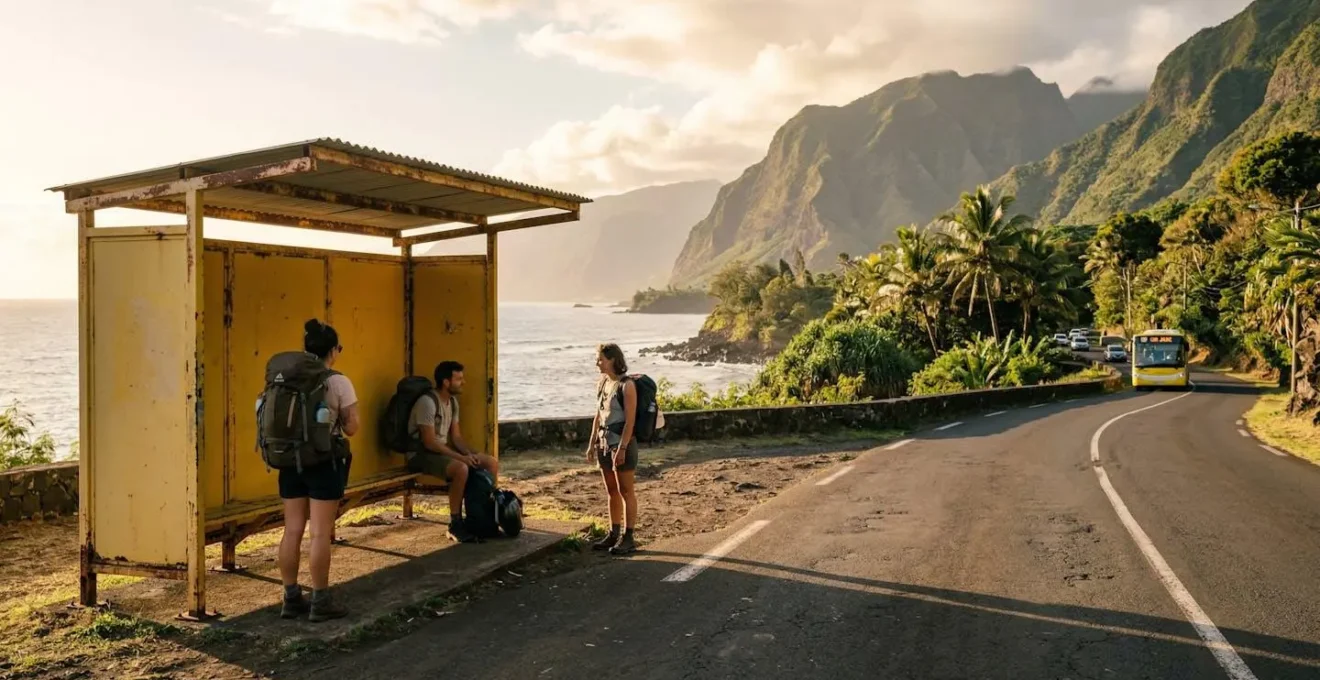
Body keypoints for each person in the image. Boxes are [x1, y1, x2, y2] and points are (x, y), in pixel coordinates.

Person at [278, 319, 358, 622]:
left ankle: (291, 597)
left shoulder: (286, 379)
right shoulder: (337, 381)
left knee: (293, 530)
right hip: (323, 462)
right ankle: (321, 600)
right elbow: (352, 428)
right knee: (320, 533)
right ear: (332, 351)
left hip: (289, 461)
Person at [408, 360, 499, 543]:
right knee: (461, 468)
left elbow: (456, 438)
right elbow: (429, 442)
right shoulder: (427, 402)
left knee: (490, 463)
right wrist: (461, 459)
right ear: (446, 382)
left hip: (440, 452)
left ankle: (481, 517)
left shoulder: (453, 403)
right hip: (419, 455)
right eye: (458, 379)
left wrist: (469, 455)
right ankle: (455, 523)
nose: (463, 382)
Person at [586, 343, 639, 555]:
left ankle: (629, 536)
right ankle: (613, 533)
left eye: (600, 359)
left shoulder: (627, 386)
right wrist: (592, 443)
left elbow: (630, 421)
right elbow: (598, 416)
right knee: (611, 491)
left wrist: (623, 448)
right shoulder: (603, 383)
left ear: (613, 360)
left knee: (626, 491)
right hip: (604, 442)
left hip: (621, 444)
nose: (597, 363)